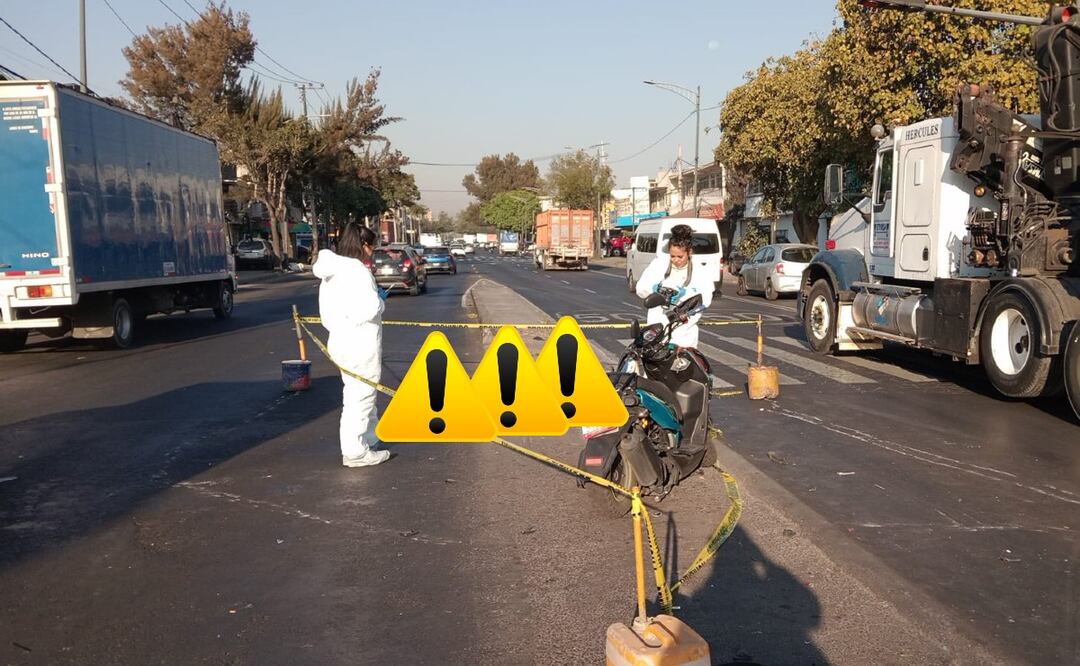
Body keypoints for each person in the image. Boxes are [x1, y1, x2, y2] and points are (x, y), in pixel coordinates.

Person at [312, 223, 392, 467]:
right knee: (361, 397)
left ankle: (369, 436)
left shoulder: (332, 272)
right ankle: (356, 452)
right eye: (372, 247)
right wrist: (379, 300)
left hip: (340, 339)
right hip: (360, 342)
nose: (372, 252)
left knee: (358, 392)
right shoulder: (357, 271)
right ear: (363, 246)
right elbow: (369, 309)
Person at [634, 223, 714, 349]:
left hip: (684, 333)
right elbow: (641, 288)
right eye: (672, 256)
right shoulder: (659, 265)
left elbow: (704, 301)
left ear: (690, 252)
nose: (676, 260)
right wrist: (656, 291)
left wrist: (683, 303)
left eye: (680, 256)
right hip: (657, 328)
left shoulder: (700, 271)